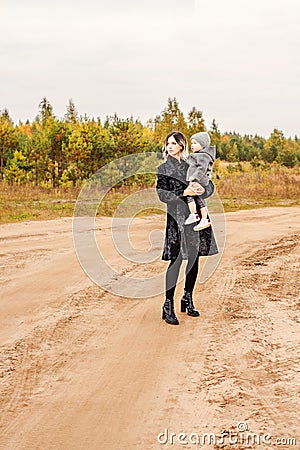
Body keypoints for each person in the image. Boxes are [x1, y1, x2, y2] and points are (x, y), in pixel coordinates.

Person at [156, 131, 218, 326]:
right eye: (168, 143)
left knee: (193, 260)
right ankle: (168, 305)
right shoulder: (163, 168)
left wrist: (201, 189)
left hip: (196, 220)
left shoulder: (193, 162)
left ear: (181, 145)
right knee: (175, 262)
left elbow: (209, 187)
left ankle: (187, 298)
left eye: (174, 143)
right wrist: (183, 192)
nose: (170, 146)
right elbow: (162, 195)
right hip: (176, 220)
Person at [184, 132, 216, 231]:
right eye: (192, 143)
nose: (192, 145)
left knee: (196, 198)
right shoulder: (197, 155)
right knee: (196, 198)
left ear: (203, 145)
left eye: (195, 143)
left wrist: (194, 177)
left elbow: (201, 169)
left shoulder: (203, 156)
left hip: (199, 181)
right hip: (196, 181)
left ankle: (200, 217)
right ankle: (196, 215)